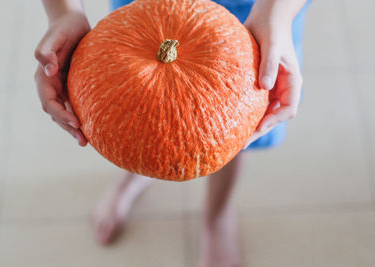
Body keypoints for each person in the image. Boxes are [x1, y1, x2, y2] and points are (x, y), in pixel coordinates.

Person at [34, 0, 310, 266]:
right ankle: (136, 175)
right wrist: (64, 12)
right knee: (134, 120)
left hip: (256, 11)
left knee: (233, 129)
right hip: (141, 17)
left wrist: (277, 12)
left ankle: (216, 215)